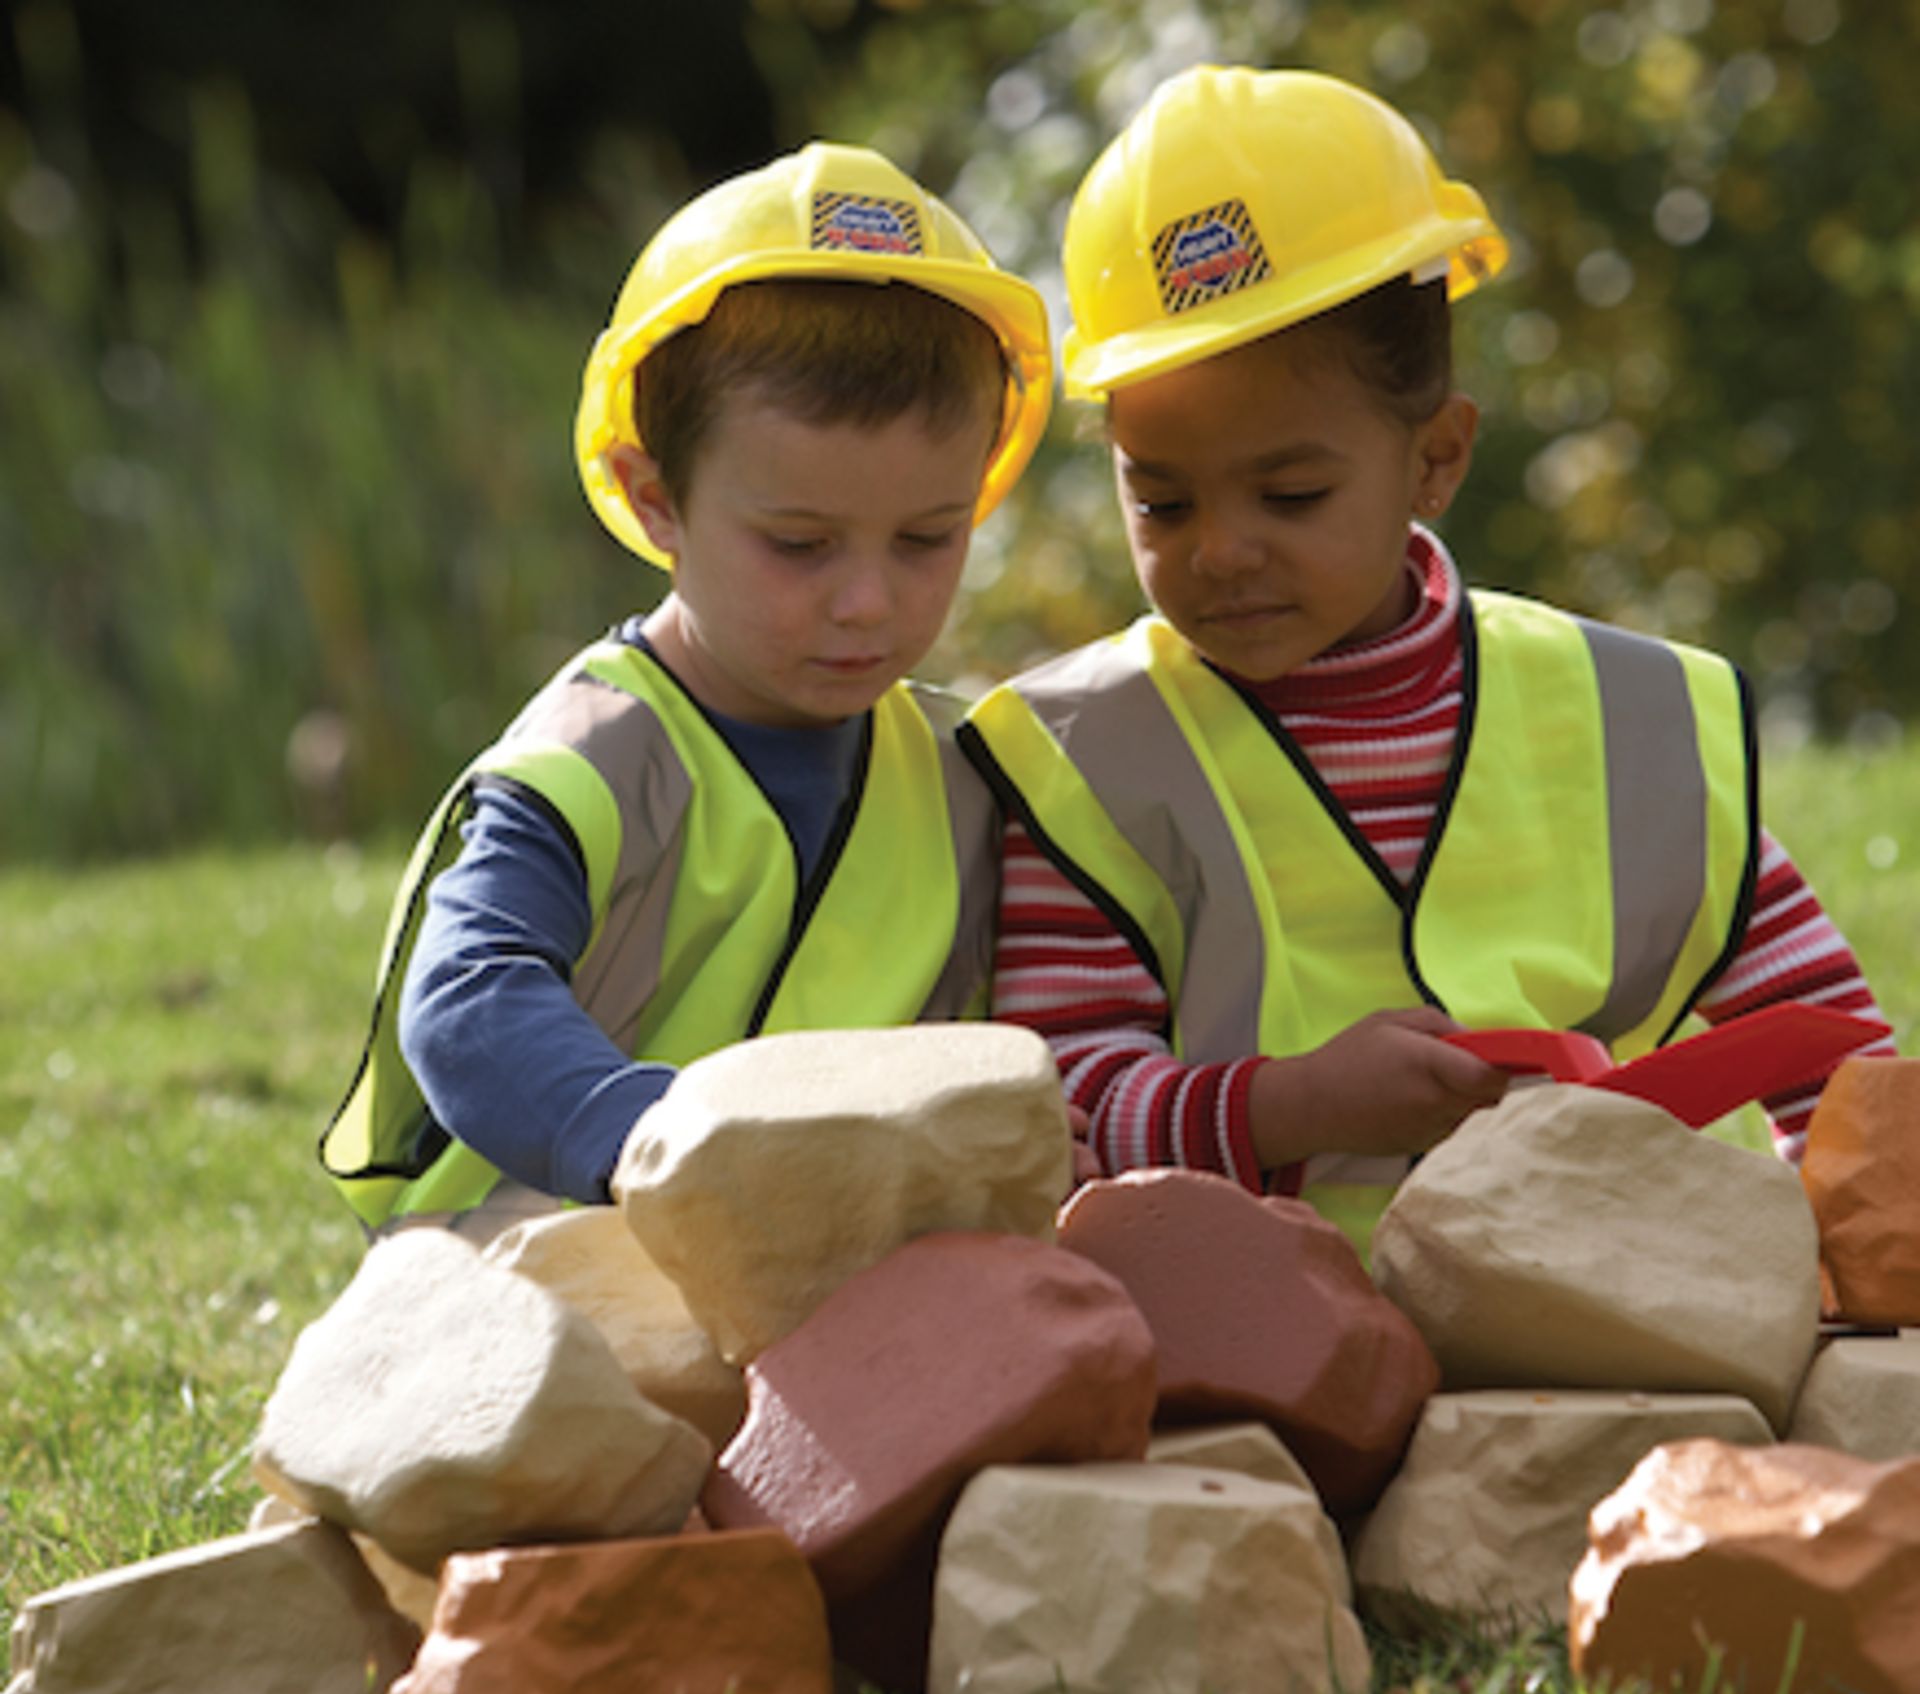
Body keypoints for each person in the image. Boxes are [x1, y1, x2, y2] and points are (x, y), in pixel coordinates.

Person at [961, 65, 1890, 1257]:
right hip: (1239, 1372)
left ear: (1437, 458)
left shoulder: (1629, 720)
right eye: (1163, 501)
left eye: (1291, 494)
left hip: (1600, 1332)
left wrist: (1861, 1274)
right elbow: (1057, 1108)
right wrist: (1289, 1105)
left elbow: (1834, 1059)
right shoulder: (1082, 761)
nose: (1224, 551)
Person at [320, 142, 1052, 1236]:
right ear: (653, 497)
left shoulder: (967, 774)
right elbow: (468, 1006)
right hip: (528, 1263)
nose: (867, 600)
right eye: (800, 544)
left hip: (826, 1266)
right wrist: (668, 1144)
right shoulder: (589, 761)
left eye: (926, 539)